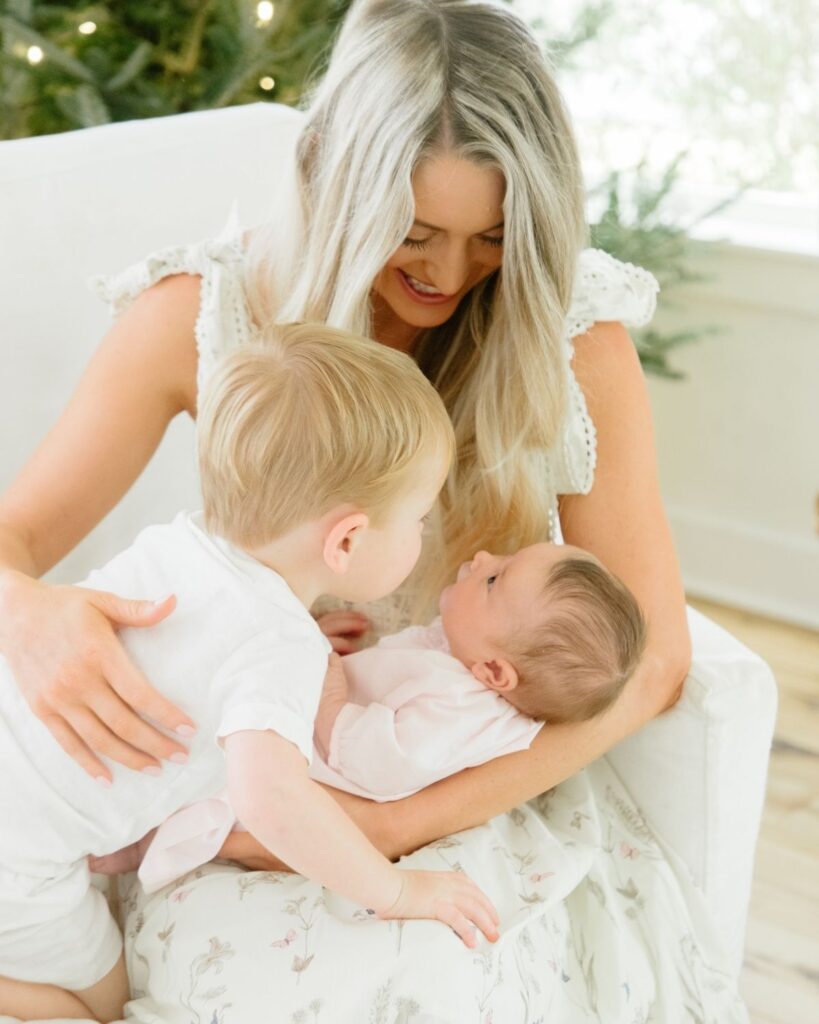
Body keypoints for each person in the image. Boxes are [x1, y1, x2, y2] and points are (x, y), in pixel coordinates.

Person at [0, 0, 692, 1009]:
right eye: (413, 233)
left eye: (494, 238)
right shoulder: (206, 314)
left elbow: (655, 657)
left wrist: (397, 826)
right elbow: (13, 537)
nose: (450, 277)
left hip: (467, 774)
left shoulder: (572, 333)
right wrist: (27, 605)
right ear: (329, 174)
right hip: (239, 793)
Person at [0, 323, 515, 1022]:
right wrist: (396, 894)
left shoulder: (176, 542)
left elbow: (195, 651)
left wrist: (299, 643)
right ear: (347, 540)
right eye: (418, 519)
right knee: (100, 1002)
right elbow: (272, 798)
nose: (424, 536)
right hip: (16, 865)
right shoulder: (277, 646)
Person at [101, 540, 648, 893]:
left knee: (200, 778)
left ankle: (121, 846)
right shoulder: (462, 665)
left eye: (493, 581)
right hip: (298, 736)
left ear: (495, 674)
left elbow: (375, 762)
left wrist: (328, 679)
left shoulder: (463, 711)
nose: (481, 557)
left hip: (301, 771)